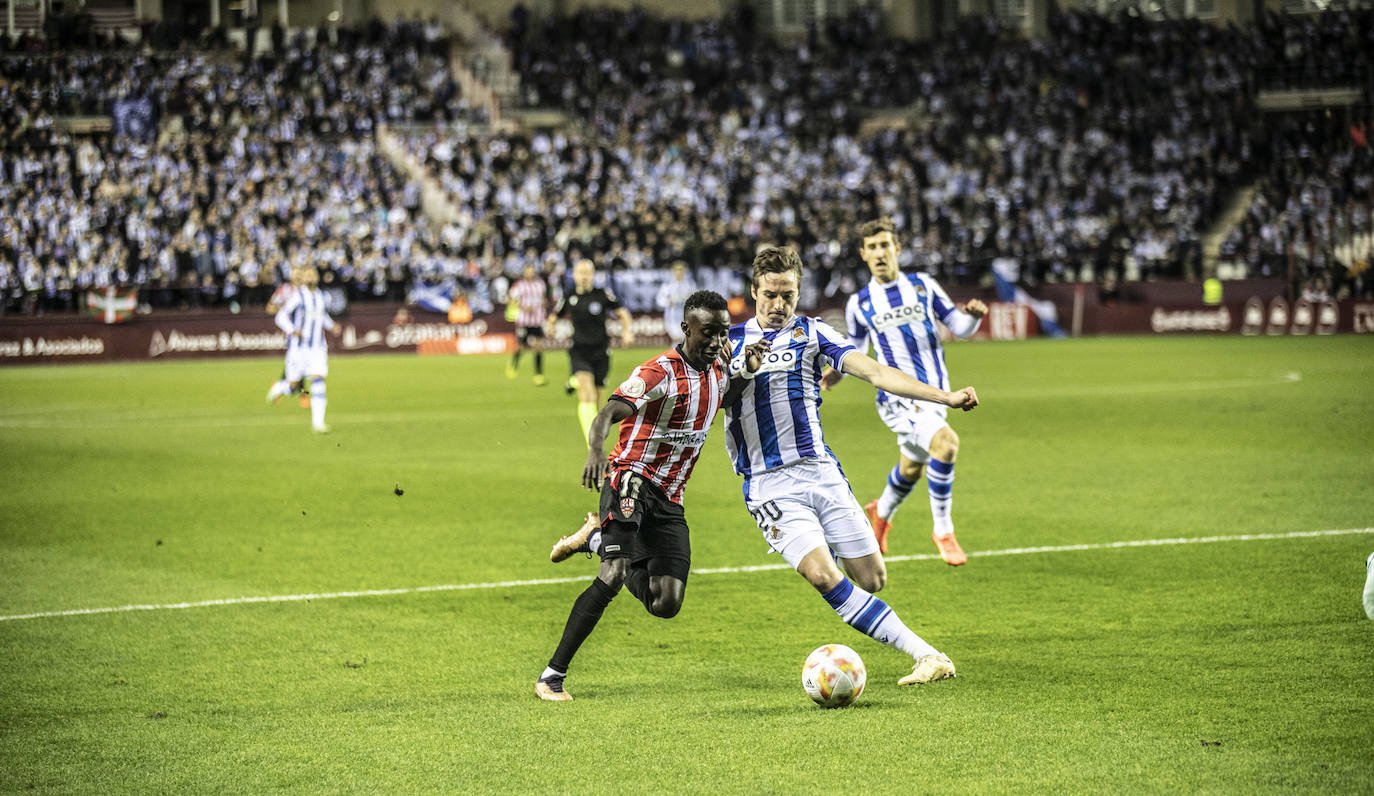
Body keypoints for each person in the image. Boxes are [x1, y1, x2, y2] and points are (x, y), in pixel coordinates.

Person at [724, 246, 979, 686]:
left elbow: (876, 373)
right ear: (753, 292)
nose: (779, 305)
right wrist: (742, 371)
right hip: (769, 485)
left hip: (822, 472)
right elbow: (713, 401)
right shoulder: (727, 342)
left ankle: (850, 547)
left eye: (788, 295)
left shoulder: (812, 333)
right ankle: (927, 655)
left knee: (872, 577)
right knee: (824, 575)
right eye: (770, 295)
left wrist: (945, 397)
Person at [535, 290, 767, 701]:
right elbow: (609, 411)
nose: (716, 341)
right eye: (708, 332)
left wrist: (745, 372)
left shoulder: (717, 369)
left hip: (670, 498)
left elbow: (719, 399)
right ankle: (551, 676)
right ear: (686, 329)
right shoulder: (658, 373)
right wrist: (595, 451)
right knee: (614, 573)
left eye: (722, 332)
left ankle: (593, 538)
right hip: (631, 479)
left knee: (666, 602)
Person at [820, 217, 987, 565]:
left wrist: (971, 317)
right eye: (873, 248)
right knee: (946, 444)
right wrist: (835, 374)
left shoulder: (923, 285)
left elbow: (960, 327)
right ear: (863, 254)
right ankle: (943, 531)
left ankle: (880, 512)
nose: (880, 253)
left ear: (896, 249)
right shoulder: (860, 302)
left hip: (933, 394)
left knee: (911, 469)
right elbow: (855, 351)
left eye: (885, 245)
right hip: (897, 400)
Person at [547, 259, 635, 442]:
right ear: (575, 275)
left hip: (601, 352)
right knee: (586, 393)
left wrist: (627, 332)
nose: (585, 277)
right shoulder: (569, 296)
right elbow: (554, 316)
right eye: (581, 273)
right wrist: (551, 327)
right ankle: (592, 441)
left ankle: (573, 382)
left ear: (593, 275)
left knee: (597, 399)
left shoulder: (602, 294)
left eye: (588, 273)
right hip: (579, 351)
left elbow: (623, 313)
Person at [270, 265, 340, 433]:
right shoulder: (298, 296)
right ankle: (279, 388)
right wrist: (293, 330)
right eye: (307, 275)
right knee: (294, 386)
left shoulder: (322, 296)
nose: (310, 277)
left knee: (318, 380)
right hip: (298, 349)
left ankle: (318, 424)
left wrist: (332, 326)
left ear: (316, 277)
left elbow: (322, 316)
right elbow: (280, 316)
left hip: (317, 348)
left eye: (313, 274)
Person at [265, 266, 310, 409]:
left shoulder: (308, 292)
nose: (298, 277)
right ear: (291, 277)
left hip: (307, 336)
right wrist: (286, 309)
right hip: (293, 337)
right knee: (301, 371)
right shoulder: (284, 290)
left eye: (300, 274)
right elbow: (270, 308)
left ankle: (281, 387)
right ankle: (303, 395)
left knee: (303, 370)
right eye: (295, 274)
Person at [505, 263, 549, 385]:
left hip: (537, 320)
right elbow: (509, 300)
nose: (531, 273)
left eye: (532, 271)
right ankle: (514, 363)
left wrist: (544, 304)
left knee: (539, 347)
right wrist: (523, 307)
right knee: (521, 347)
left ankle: (538, 375)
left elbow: (544, 299)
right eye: (528, 271)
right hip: (524, 321)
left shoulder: (540, 284)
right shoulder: (520, 285)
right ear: (524, 272)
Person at [655, 260, 697, 343]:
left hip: (686, 316)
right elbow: (659, 300)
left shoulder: (690, 284)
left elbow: (697, 299)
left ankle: (683, 355)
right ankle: (676, 355)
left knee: (685, 340)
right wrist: (668, 302)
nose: (679, 272)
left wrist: (690, 300)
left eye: (681, 270)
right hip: (672, 316)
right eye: (677, 270)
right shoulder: (667, 285)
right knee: (676, 339)